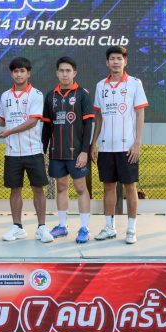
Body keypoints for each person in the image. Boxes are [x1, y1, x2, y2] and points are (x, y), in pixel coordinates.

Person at [0, 57, 53, 243]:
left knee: (38, 189)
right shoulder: (5, 96)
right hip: (12, 152)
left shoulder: (36, 94)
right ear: (11, 74)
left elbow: (33, 121)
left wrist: (9, 131)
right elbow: (4, 120)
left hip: (33, 150)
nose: (19, 74)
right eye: (15, 71)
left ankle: (41, 227)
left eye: (22, 71)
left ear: (28, 73)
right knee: (15, 190)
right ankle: (17, 227)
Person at [91, 45, 148, 244]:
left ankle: (131, 229)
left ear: (125, 61)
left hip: (127, 147)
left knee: (130, 187)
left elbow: (140, 113)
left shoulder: (134, 84)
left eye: (119, 58)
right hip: (106, 147)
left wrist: (137, 143)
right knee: (108, 187)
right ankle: (109, 227)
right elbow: (98, 117)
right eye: (112, 59)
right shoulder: (101, 86)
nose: (116, 62)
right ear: (107, 63)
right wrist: (93, 143)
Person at [41, 56, 95, 243]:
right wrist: (43, 149)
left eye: (68, 71)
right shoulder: (51, 96)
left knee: (81, 188)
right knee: (61, 188)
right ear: (57, 73)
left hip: (77, 153)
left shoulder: (82, 94)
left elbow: (88, 125)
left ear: (74, 73)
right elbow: (47, 126)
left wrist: (85, 151)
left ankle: (84, 228)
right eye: (61, 71)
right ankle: (62, 226)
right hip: (57, 152)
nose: (64, 74)